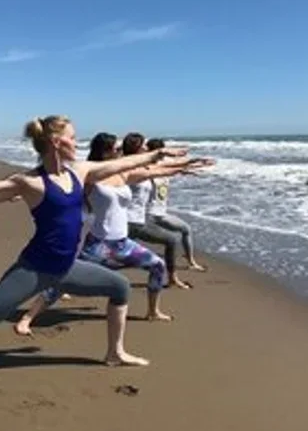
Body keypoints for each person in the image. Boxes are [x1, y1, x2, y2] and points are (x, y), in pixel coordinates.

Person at [0, 115, 188, 405]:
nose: (76, 141)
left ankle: (114, 353)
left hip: (66, 268)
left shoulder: (79, 171)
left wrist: (156, 155)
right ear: (56, 142)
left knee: (119, 287)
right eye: (72, 137)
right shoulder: (30, 182)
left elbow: (121, 163)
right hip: (35, 269)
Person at [14, 132, 204, 336]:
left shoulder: (122, 174)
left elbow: (154, 171)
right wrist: (23, 193)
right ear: (105, 152)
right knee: (62, 282)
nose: (120, 151)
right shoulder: (89, 176)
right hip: (99, 246)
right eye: (116, 148)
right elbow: (59, 186)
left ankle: (153, 312)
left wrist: (182, 166)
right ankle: (26, 319)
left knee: (158, 266)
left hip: (123, 244)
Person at [122, 133, 210, 289]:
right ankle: (172, 278)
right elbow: (159, 169)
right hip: (134, 220)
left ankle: (173, 277)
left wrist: (191, 164)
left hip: (137, 220)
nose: (146, 147)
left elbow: (164, 167)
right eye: (143, 145)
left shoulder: (143, 166)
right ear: (137, 148)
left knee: (113, 254)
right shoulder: (130, 167)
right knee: (171, 240)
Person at [145, 137, 214, 271]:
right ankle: (189, 263)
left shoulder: (164, 164)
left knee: (184, 230)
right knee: (180, 233)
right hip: (152, 214)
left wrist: (200, 164)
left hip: (159, 213)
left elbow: (180, 166)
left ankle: (190, 262)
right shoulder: (148, 168)